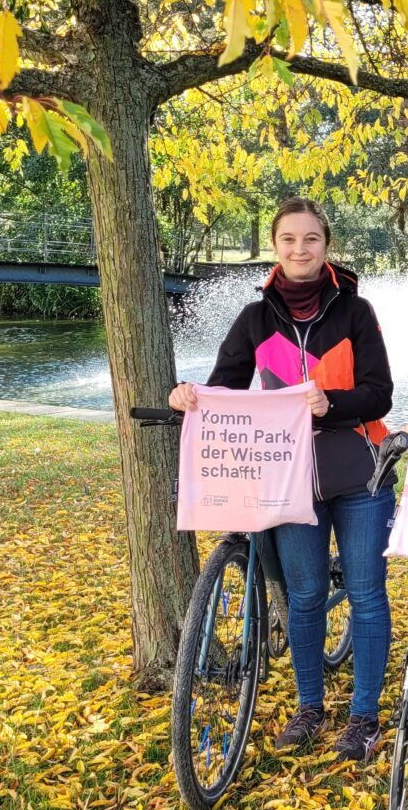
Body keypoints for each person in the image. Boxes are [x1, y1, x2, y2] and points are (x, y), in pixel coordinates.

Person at [168, 197, 395, 761]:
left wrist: (331, 404)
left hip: (358, 473)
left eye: (311, 239)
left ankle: (364, 716)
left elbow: (380, 393)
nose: (300, 249)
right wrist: (187, 398)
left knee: (366, 594)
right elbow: (223, 390)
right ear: (276, 247)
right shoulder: (254, 319)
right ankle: (310, 706)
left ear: (326, 246)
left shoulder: (356, 312)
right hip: (285, 482)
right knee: (305, 596)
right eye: (289, 240)